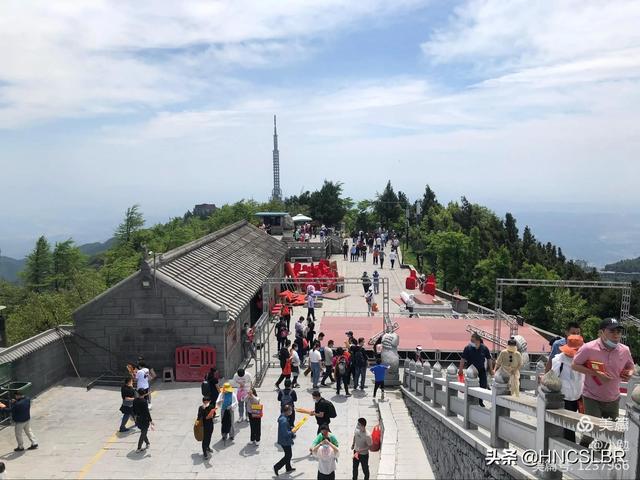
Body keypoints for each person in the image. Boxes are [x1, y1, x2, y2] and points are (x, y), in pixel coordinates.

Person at [572, 318, 635, 449]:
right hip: (591, 396)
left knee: (608, 432)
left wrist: (629, 373)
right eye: (612, 331)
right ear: (601, 332)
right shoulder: (588, 348)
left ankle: (601, 456)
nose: (616, 335)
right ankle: (582, 450)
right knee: (593, 428)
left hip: (613, 398)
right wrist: (595, 373)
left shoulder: (624, 350)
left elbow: (631, 367)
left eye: (618, 331)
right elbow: (575, 365)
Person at [551, 335, 585, 442]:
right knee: (568, 426)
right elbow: (553, 377)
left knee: (575, 423)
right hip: (564, 397)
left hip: (579, 397)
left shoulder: (584, 360)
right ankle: (569, 446)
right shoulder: (558, 360)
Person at [459, 333, 493, 407]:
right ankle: (470, 400)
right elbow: (462, 359)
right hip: (471, 371)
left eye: (472, 340)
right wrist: (460, 369)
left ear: (478, 341)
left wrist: (491, 369)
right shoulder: (468, 348)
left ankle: (480, 401)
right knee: (470, 386)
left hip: (481, 369)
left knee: (483, 385)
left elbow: (489, 359)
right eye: (471, 340)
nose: (471, 342)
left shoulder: (484, 348)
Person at [274, 405, 296, 476]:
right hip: (285, 440)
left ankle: (288, 467)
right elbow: (285, 433)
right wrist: (292, 431)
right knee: (288, 455)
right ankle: (277, 467)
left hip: (284, 440)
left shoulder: (284, 417)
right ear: (287, 411)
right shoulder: (283, 420)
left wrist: (290, 428)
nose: (292, 412)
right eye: (291, 410)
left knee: (287, 454)